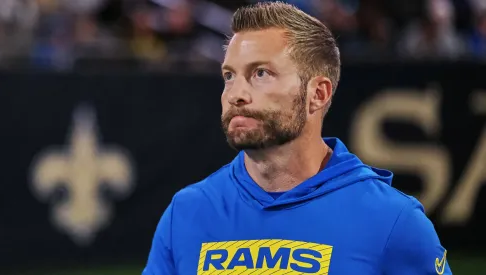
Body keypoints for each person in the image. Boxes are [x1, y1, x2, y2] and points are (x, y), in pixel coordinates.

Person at [142, 2, 452, 274]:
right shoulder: (187, 212)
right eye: (229, 75)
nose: (236, 94)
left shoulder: (393, 222)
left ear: (317, 94)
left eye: (261, 73)